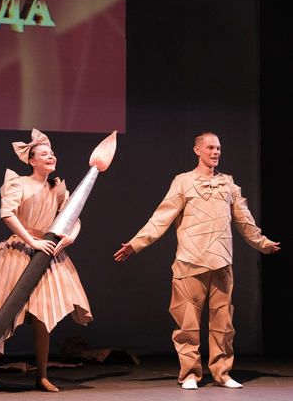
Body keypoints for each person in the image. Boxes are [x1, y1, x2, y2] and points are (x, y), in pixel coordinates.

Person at [114, 131, 281, 390]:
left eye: (218, 148)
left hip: (221, 262)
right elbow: (161, 218)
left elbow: (244, 220)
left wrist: (262, 243)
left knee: (223, 323)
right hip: (190, 261)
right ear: (197, 150)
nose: (216, 152)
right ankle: (190, 373)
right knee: (187, 322)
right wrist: (137, 243)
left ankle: (222, 373)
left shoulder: (228, 184)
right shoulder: (183, 182)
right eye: (211, 147)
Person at [0, 129, 92, 393]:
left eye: (52, 153)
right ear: (32, 161)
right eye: (44, 154)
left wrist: (70, 238)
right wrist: (32, 241)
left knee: (43, 316)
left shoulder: (57, 188)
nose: (51, 156)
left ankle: (42, 376)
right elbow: (7, 214)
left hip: (46, 253)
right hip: (19, 251)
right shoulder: (19, 183)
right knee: (2, 313)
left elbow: (74, 217)